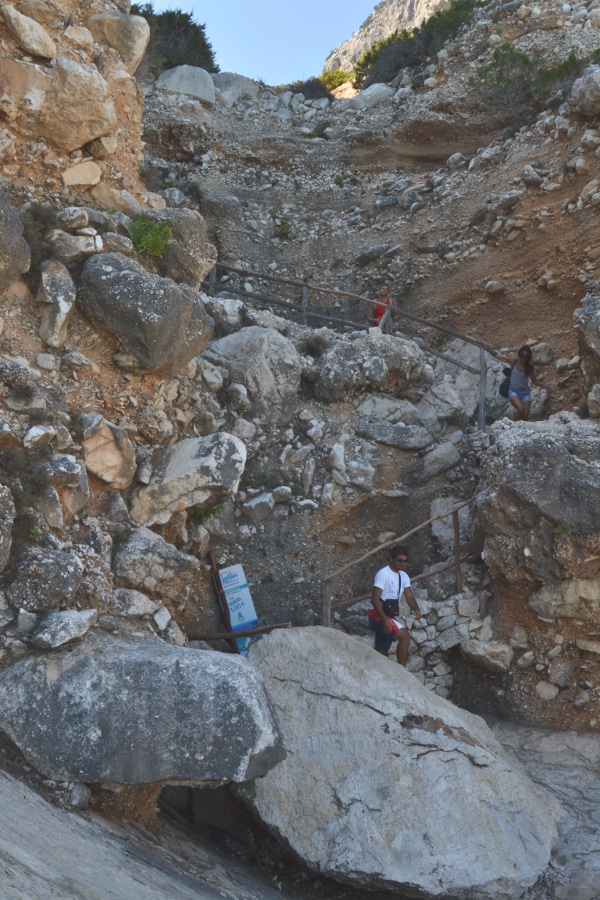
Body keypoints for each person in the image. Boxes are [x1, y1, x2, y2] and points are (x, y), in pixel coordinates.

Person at [368, 545, 421, 666]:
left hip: (389, 614)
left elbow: (409, 597)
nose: (403, 563)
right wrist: (385, 620)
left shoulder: (404, 576)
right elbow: (375, 599)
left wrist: (416, 609)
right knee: (405, 636)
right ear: (392, 559)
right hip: (377, 613)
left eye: (405, 561)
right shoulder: (383, 574)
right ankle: (402, 671)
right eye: (399, 560)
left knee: (383, 647)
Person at [495, 344, 542, 421]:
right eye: (521, 356)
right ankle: (513, 426)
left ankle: (519, 429)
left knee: (525, 416)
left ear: (528, 358)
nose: (523, 359)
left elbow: (534, 381)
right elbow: (501, 357)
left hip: (525, 393)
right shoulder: (513, 362)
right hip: (513, 391)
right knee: (521, 409)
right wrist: (490, 351)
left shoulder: (529, 367)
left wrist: (543, 385)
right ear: (518, 354)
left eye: (525, 357)